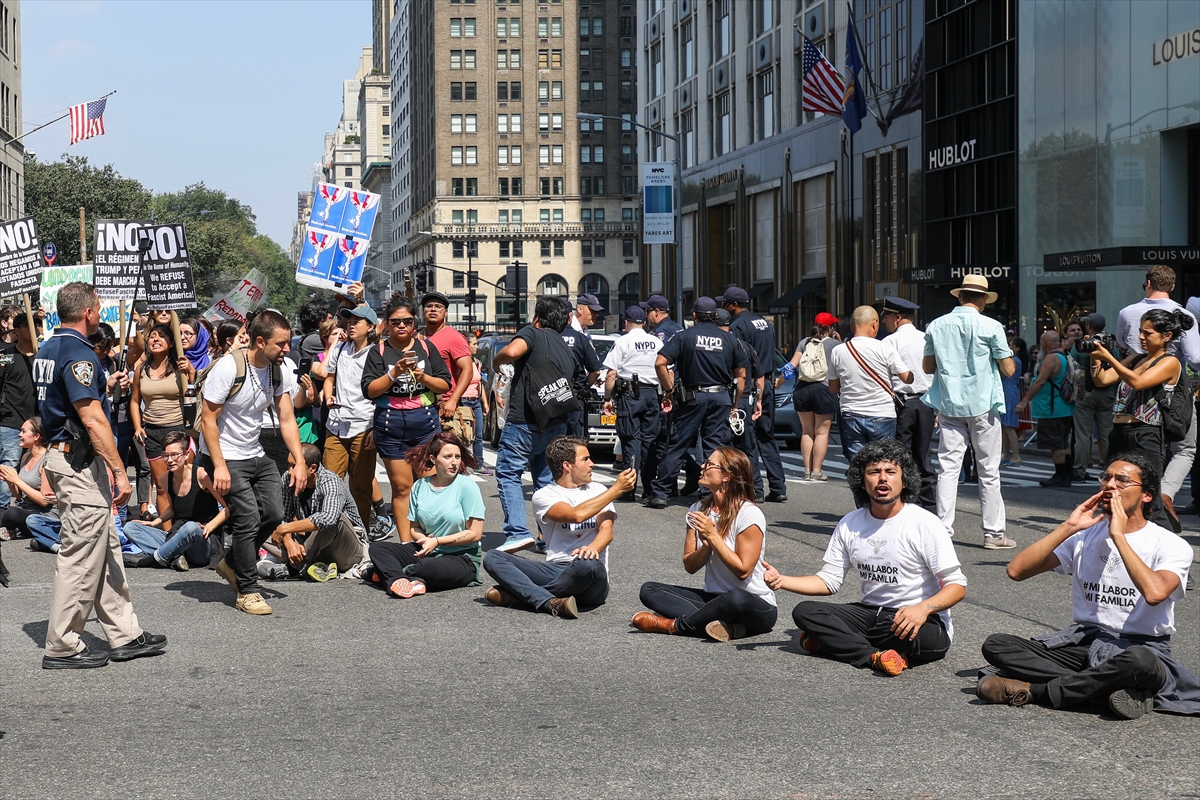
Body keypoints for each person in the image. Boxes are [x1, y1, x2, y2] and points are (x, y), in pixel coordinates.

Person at [977, 454, 1198, 719]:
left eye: (1122, 480)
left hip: (1140, 649)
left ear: (1147, 495)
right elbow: (1016, 571)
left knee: (1140, 662)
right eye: (1106, 477)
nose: (1110, 485)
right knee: (997, 645)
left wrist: (1119, 536)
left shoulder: (1171, 544)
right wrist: (1068, 527)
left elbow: (1155, 593)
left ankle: (1035, 691)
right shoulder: (1085, 536)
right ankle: (1108, 690)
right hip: (1088, 642)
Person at [34, 282, 166, 668]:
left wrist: (104, 387)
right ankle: (63, 644)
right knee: (81, 554)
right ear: (89, 312)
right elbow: (92, 419)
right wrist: (119, 472)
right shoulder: (80, 353)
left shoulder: (49, 348)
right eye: (98, 307)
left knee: (105, 547)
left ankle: (124, 634)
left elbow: (66, 402)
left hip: (68, 456)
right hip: (77, 462)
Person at [767, 439, 966, 675]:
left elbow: (957, 586)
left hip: (920, 619)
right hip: (871, 614)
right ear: (862, 482)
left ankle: (836, 643)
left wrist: (923, 609)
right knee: (805, 612)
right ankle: (875, 656)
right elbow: (828, 581)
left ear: (904, 480)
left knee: (908, 633)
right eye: (874, 472)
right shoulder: (850, 523)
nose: (882, 478)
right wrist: (781, 580)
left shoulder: (925, 523)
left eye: (890, 471)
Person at [200, 308, 308, 616]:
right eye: (281, 344)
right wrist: (219, 466)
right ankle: (247, 590)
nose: (286, 349)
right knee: (247, 517)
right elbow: (208, 419)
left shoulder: (278, 370)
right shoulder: (228, 368)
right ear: (260, 342)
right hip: (226, 454)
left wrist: (299, 461)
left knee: (274, 513)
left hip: (255, 452)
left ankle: (232, 563)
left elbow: (286, 417)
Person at [633, 447, 776, 642]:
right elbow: (690, 566)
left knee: (734, 597)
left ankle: (673, 626)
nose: (702, 466)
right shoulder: (697, 509)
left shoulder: (749, 513)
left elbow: (743, 571)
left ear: (726, 476)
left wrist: (712, 536)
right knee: (649, 590)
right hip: (715, 599)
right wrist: (707, 545)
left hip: (753, 603)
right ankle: (728, 627)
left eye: (709, 464)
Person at [484, 436, 636, 617]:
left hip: (590, 576)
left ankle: (526, 596)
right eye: (585, 459)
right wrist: (617, 490)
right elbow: (576, 515)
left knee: (587, 563)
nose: (592, 464)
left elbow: (607, 531)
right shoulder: (543, 496)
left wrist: (592, 548)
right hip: (557, 570)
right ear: (567, 465)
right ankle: (549, 602)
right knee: (493, 557)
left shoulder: (598, 490)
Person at [922, 275, 1016, 549]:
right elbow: (1009, 369)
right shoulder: (992, 326)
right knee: (988, 470)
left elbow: (928, 367)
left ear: (960, 296)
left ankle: (942, 531)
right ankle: (993, 534)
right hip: (983, 404)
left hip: (950, 403)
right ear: (983, 299)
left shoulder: (936, 325)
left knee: (948, 469)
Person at [1089, 309, 1192, 531]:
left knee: (1149, 498)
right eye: (1140, 332)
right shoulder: (1135, 358)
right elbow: (1102, 380)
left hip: (1146, 434)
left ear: (1166, 336)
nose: (1141, 337)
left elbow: (1138, 382)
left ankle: (1168, 543)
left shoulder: (1170, 362)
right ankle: (1121, 539)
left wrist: (1109, 358)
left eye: (1148, 333)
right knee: (1115, 491)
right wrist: (1095, 358)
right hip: (1118, 432)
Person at [492, 298, 580, 551]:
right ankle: (549, 538)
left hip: (525, 420)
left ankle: (517, 532)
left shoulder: (532, 332)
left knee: (509, 473)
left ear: (537, 318)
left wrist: (497, 362)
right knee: (545, 479)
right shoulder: (565, 346)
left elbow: (512, 352)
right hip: (555, 420)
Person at [362, 294, 450, 543]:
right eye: (395, 321)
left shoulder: (426, 347)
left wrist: (423, 377)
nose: (402, 325)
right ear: (387, 323)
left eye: (407, 321)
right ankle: (406, 544)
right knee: (402, 488)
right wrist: (394, 373)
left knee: (429, 486)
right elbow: (369, 390)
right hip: (390, 427)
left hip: (425, 425)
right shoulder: (378, 352)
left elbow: (444, 384)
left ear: (414, 323)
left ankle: (431, 541)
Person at [645, 298, 747, 509]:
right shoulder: (729, 339)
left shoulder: (684, 336)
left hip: (692, 398)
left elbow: (660, 363)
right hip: (720, 398)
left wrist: (668, 390)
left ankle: (660, 492)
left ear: (694, 315)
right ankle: (709, 493)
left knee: (678, 444)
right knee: (714, 447)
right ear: (715, 315)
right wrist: (734, 404)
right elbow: (741, 376)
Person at [365, 432, 484, 597]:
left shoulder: (468, 487)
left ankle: (387, 575)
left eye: (457, 457)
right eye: (448, 457)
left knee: (427, 567)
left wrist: (437, 541)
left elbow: (475, 533)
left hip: (461, 557)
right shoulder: (420, 486)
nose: (454, 462)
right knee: (378, 548)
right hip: (427, 550)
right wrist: (425, 540)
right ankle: (403, 580)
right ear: (433, 459)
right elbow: (414, 528)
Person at [263, 443, 367, 582]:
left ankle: (294, 568)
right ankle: (309, 564)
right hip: (312, 546)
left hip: (346, 551)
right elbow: (282, 516)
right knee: (262, 518)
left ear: (312, 468)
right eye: (289, 465)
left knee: (335, 519)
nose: (289, 471)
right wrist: (289, 542)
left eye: (294, 466)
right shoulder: (288, 478)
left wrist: (284, 529)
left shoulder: (330, 481)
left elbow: (329, 518)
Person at [121, 431, 222, 572]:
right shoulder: (165, 478)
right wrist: (155, 522)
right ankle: (173, 556)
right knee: (130, 527)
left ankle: (155, 559)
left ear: (186, 454)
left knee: (191, 527)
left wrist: (210, 526)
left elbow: (227, 507)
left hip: (203, 541)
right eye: (165, 455)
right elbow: (173, 508)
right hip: (178, 535)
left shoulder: (202, 475)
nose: (169, 460)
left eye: (174, 455)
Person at [314, 304, 379, 526]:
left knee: (361, 486)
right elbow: (329, 377)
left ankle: (360, 532)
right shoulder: (341, 349)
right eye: (349, 322)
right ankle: (331, 530)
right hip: (335, 424)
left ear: (370, 327)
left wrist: (376, 427)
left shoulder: (377, 353)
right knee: (329, 483)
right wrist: (328, 396)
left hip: (364, 424)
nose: (351, 326)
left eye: (356, 322)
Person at [722, 287, 787, 503]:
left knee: (746, 439)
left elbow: (739, 359)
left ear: (734, 305)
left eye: (725, 304)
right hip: (766, 382)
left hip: (748, 386)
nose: (724, 308)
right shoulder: (765, 323)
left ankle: (755, 488)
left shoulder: (737, 326)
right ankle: (778, 486)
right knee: (766, 436)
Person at [829, 306, 913, 462]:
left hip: (851, 414)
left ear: (852, 327)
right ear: (874, 324)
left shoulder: (838, 351)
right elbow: (908, 378)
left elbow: (833, 388)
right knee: (882, 463)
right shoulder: (885, 348)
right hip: (882, 414)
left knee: (858, 464)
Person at [130, 323, 195, 519]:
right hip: (152, 433)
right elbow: (135, 401)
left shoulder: (180, 366)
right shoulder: (141, 368)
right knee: (161, 486)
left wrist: (191, 375)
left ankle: (185, 524)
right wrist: (138, 427)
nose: (156, 339)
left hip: (178, 431)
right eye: (152, 336)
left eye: (162, 336)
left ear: (171, 342)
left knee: (183, 483)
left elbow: (192, 398)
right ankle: (166, 532)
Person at [881, 297, 937, 508]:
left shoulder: (890, 342)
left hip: (902, 403)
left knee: (901, 455)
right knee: (923, 455)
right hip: (927, 403)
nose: (884, 321)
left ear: (897, 317)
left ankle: (905, 501)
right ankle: (929, 505)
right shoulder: (926, 338)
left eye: (886, 317)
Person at [603, 306, 662, 501]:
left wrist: (607, 399)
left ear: (626, 323)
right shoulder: (656, 342)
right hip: (652, 394)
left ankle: (628, 489)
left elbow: (611, 374)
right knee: (649, 441)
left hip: (629, 396)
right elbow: (667, 369)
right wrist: (667, 394)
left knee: (630, 440)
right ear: (644, 322)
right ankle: (649, 489)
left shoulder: (623, 341)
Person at [640, 294, 692, 500]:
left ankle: (690, 472)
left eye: (647, 311)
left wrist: (667, 391)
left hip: (669, 389)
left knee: (664, 439)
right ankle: (676, 480)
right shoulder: (678, 328)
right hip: (682, 388)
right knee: (672, 437)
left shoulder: (662, 332)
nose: (646, 316)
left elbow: (663, 363)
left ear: (656, 312)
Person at [1016, 330, 1076, 487]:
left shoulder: (1051, 358)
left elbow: (1040, 381)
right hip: (1064, 406)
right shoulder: (1065, 355)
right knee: (1063, 442)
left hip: (1051, 407)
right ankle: (1068, 472)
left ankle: (1061, 475)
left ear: (1043, 343)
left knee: (1055, 443)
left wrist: (1024, 402)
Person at [785, 313, 840, 481]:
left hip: (802, 389)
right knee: (822, 432)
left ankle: (807, 471)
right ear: (830, 328)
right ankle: (817, 471)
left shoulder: (804, 342)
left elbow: (791, 366)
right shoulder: (835, 345)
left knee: (807, 431)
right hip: (824, 389)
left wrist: (779, 382)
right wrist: (840, 341)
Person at [422, 291, 476, 444]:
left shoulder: (454, 337)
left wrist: (453, 400)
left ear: (445, 312)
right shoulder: (416, 336)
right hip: (419, 406)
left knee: (444, 454)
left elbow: (467, 370)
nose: (433, 309)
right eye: (429, 306)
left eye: (438, 306)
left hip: (443, 407)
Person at [0, 309, 40, 514]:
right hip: (11, 421)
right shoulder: (6, 357)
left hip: (37, 423)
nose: (36, 328)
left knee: (35, 466)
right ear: (17, 330)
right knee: (10, 465)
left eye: (38, 324)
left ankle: (28, 508)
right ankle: (2, 510)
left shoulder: (43, 356)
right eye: (30, 325)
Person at [1071, 313, 1116, 480]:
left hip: (1086, 393)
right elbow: (1119, 365)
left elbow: (1072, 367)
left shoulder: (1083, 345)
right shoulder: (1110, 344)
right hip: (1107, 393)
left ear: (1088, 326)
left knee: (1083, 435)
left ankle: (1080, 470)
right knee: (1107, 434)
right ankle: (1111, 468)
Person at [0, 416, 54, 540]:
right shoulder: (26, 457)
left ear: (37, 436)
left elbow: (44, 501)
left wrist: (17, 480)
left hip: (41, 516)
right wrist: (10, 481)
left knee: (12, 513)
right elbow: (19, 496)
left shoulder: (46, 461)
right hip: (24, 509)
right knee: (5, 511)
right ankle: (10, 528)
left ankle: (11, 529)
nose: (19, 434)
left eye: (24, 431)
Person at [559, 298, 602, 439]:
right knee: (576, 441)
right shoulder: (580, 338)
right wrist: (584, 386)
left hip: (551, 396)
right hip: (575, 396)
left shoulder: (547, 337)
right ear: (570, 315)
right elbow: (595, 370)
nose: (596, 315)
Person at [462, 334, 492, 474]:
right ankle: (461, 465)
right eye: (474, 344)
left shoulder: (477, 363)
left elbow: (479, 383)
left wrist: (485, 402)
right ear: (466, 345)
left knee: (478, 436)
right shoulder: (460, 363)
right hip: (463, 401)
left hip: (475, 401)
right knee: (463, 435)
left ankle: (478, 465)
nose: (477, 347)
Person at [999, 345, 1024, 468]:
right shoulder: (1012, 359)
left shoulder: (1014, 360)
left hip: (1009, 391)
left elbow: (1005, 372)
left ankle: (1016, 455)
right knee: (1004, 426)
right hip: (1004, 390)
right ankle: (1006, 455)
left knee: (1008, 425)